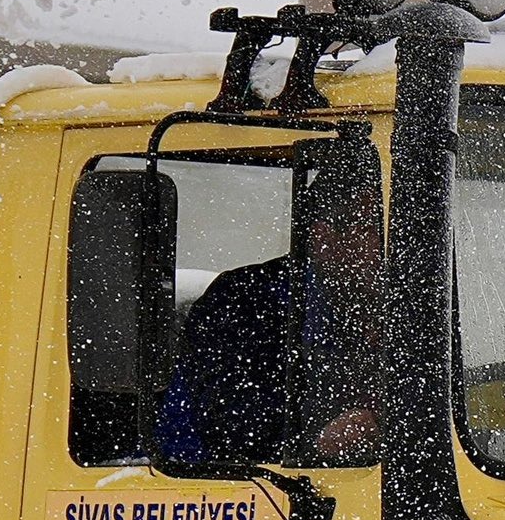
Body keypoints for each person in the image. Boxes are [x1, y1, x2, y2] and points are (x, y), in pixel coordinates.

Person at [157, 132, 384, 468]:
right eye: (372, 230)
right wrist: (318, 440)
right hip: (211, 493)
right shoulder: (245, 301)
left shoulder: (398, 305)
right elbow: (233, 429)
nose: (388, 248)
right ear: (323, 238)